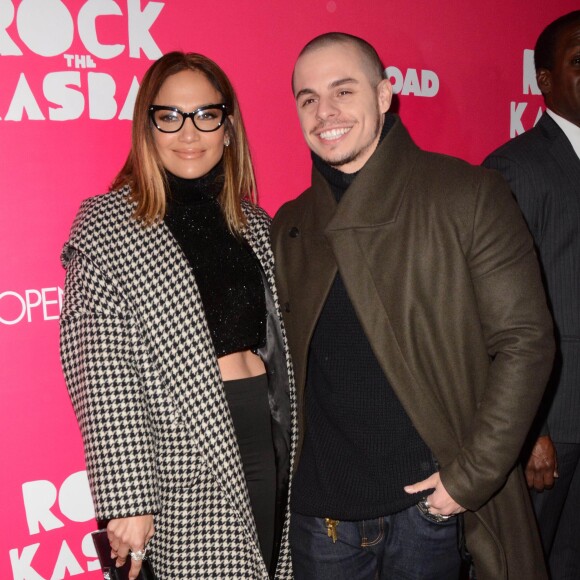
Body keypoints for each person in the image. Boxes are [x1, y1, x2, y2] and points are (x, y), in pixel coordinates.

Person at [270, 32, 554, 580]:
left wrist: (466, 480)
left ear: (384, 95)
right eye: (308, 99)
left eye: (343, 91)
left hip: (425, 513)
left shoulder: (467, 195)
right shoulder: (291, 224)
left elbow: (525, 342)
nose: (324, 112)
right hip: (319, 519)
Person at [59, 51, 295, 580]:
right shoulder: (107, 226)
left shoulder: (257, 224)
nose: (188, 133)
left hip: (267, 429)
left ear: (228, 127)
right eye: (169, 116)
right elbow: (100, 370)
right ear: (147, 126)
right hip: (178, 452)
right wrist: (127, 498)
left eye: (206, 115)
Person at [483, 11, 580, 578]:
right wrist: (528, 430)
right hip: (553, 421)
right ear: (543, 80)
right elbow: (497, 315)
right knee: (530, 563)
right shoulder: (513, 168)